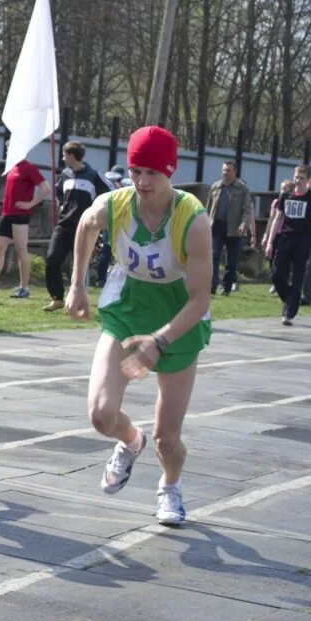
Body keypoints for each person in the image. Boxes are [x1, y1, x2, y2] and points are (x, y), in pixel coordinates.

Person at [66, 125, 212, 526]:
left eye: (153, 173)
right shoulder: (114, 204)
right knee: (100, 414)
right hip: (128, 308)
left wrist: (160, 340)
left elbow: (201, 298)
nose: (143, 182)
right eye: (135, 172)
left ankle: (170, 485)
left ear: (170, 172)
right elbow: (84, 226)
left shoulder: (193, 220)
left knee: (168, 438)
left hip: (178, 316)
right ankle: (131, 442)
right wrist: (77, 285)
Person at [42, 142, 111, 311]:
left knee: (81, 264)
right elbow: (59, 192)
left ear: (72, 155)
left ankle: (81, 299)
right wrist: (61, 206)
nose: (62, 158)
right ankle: (57, 297)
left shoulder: (94, 175)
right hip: (64, 225)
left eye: (64, 155)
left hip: (85, 227)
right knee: (52, 259)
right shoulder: (64, 175)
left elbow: (111, 192)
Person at [0, 155, 50, 298]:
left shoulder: (28, 167)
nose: (9, 152)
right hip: (7, 214)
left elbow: (46, 188)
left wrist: (30, 204)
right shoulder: (12, 167)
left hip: (20, 214)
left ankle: (24, 288)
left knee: (21, 249)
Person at [267, 164, 310, 326]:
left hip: (303, 241)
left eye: (302, 178)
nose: (298, 181)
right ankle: (292, 299)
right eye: (296, 177)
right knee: (276, 275)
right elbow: (278, 218)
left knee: (298, 277)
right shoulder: (286, 195)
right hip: (285, 239)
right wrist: (270, 242)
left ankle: (289, 313)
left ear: (308, 180)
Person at [206, 160, 255, 296]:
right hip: (217, 226)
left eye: (228, 170)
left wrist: (244, 223)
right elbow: (208, 207)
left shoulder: (243, 189)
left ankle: (226, 287)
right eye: (224, 170)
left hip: (234, 228)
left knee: (231, 261)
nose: (225, 173)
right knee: (213, 256)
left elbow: (247, 209)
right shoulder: (216, 186)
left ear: (235, 172)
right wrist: (205, 223)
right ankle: (212, 286)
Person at [261, 179, 293, 295]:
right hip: (275, 233)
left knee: (283, 259)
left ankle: (282, 281)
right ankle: (275, 281)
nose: (282, 191)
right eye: (282, 188)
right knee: (272, 257)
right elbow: (271, 219)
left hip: (285, 234)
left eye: (285, 189)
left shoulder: (291, 201)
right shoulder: (275, 202)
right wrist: (266, 235)